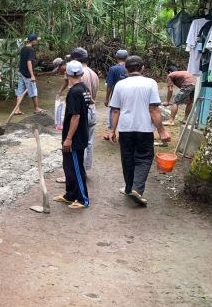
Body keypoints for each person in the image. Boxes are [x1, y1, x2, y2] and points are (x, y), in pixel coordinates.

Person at [109, 55, 171, 206]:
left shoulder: (120, 85)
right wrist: (162, 131)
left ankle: (130, 188)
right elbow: (154, 109)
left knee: (127, 158)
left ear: (126, 68)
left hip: (125, 129)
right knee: (144, 158)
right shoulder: (150, 83)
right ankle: (136, 189)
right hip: (144, 128)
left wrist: (112, 130)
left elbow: (115, 110)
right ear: (143, 68)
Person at [56, 47, 98, 181]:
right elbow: (91, 96)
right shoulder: (93, 74)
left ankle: (75, 173)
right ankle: (84, 171)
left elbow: (76, 108)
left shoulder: (78, 76)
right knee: (88, 142)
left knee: (76, 144)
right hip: (92, 110)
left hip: (80, 113)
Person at [53, 61, 91, 209]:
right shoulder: (84, 88)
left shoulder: (74, 92)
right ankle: (70, 194)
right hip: (76, 134)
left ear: (66, 74)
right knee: (68, 166)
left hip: (75, 137)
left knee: (76, 167)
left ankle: (82, 199)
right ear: (81, 74)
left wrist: (69, 138)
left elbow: (76, 116)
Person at [13, 33, 45, 115]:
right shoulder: (31, 50)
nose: (36, 42)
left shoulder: (23, 48)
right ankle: (37, 108)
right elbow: (29, 62)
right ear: (33, 41)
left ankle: (17, 109)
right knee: (33, 90)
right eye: (36, 40)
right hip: (27, 74)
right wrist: (32, 75)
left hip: (21, 72)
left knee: (20, 91)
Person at [104, 49, 129, 139]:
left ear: (117, 58)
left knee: (114, 112)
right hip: (129, 96)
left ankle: (112, 132)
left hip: (116, 95)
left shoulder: (113, 69)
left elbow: (109, 85)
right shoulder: (130, 68)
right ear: (127, 58)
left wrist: (107, 98)